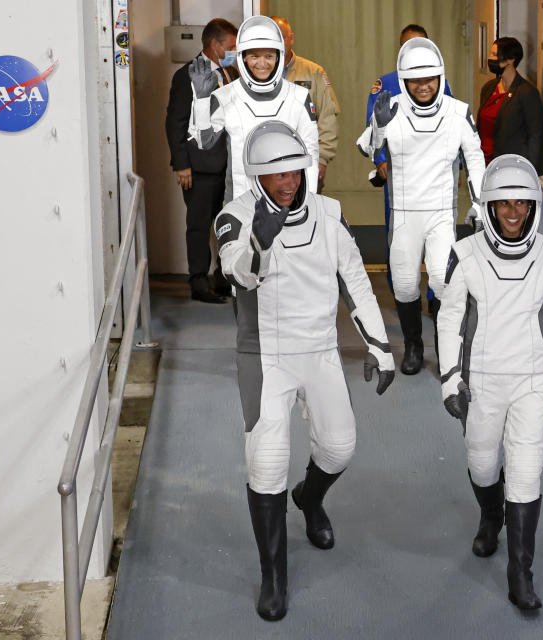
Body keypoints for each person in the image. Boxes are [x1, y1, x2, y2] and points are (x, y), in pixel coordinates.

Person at [214, 120, 395, 621]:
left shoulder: (328, 213)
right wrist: (259, 243)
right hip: (265, 356)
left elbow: (355, 279)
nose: (289, 182)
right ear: (256, 176)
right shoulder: (235, 216)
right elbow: (236, 271)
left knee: (339, 447)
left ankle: (309, 498)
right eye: (277, 175)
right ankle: (274, 577)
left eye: (295, 171)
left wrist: (380, 346)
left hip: (318, 348)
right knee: (266, 463)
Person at [437, 154, 543, 610]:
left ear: (533, 207)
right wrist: (449, 379)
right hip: (481, 379)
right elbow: (448, 319)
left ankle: (520, 575)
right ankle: (490, 516)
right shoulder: (464, 254)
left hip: (528, 380)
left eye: (522, 204)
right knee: (483, 464)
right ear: (488, 206)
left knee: (526, 474)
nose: (514, 213)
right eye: (504, 204)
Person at [356, 37, 485, 376]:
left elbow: (475, 158)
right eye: (416, 79)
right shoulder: (391, 108)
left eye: (430, 78)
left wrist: (480, 205)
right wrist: (378, 126)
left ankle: (446, 345)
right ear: (404, 79)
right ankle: (414, 345)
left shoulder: (458, 112)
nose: (424, 85)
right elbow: (367, 148)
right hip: (404, 213)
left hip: (441, 213)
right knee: (404, 284)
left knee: (444, 281)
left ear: (440, 77)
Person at [188, 15, 318, 207]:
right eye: (254, 56)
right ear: (243, 58)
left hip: (289, 202)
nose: (262, 64)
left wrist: (309, 202)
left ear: (279, 57)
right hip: (240, 201)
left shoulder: (298, 97)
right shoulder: (225, 96)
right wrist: (201, 100)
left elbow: (311, 154)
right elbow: (203, 142)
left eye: (269, 56)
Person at [365, 24, 452, 298]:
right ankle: (403, 293)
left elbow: (450, 126)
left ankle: (435, 296)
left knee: (436, 238)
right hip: (399, 173)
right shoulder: (386, 83)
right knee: (401, 237)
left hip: (432, 174)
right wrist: (380, 160)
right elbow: (373, 125)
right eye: (408, 45)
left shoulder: (439, 82)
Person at [165, 18, 238, 303]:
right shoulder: (186, 76)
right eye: (230, 46)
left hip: (228, 165)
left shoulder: (229, 73)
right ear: (213, 44)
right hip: (198, 167)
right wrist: (181, 164)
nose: (234, 51)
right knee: (198, 226)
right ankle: (198, 283)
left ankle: (222, 279)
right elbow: (175, 122)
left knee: (227, 225)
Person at [271, 16, 340, 192]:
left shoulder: (313, 72)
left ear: (291, 38)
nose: (278, 43)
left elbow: (328, 117)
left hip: (305, 162)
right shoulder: (258, 74)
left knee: (306, 214)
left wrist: (322, 159)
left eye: (282, 37)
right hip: (268, 162)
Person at [478, 37, 543, 175]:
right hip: (483, 164)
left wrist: (532, 173)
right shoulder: (488, 88)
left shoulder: (527, 92)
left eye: (495, 55)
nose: (490, 58)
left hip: (511, 168)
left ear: (510, 59)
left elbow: (535, 137)